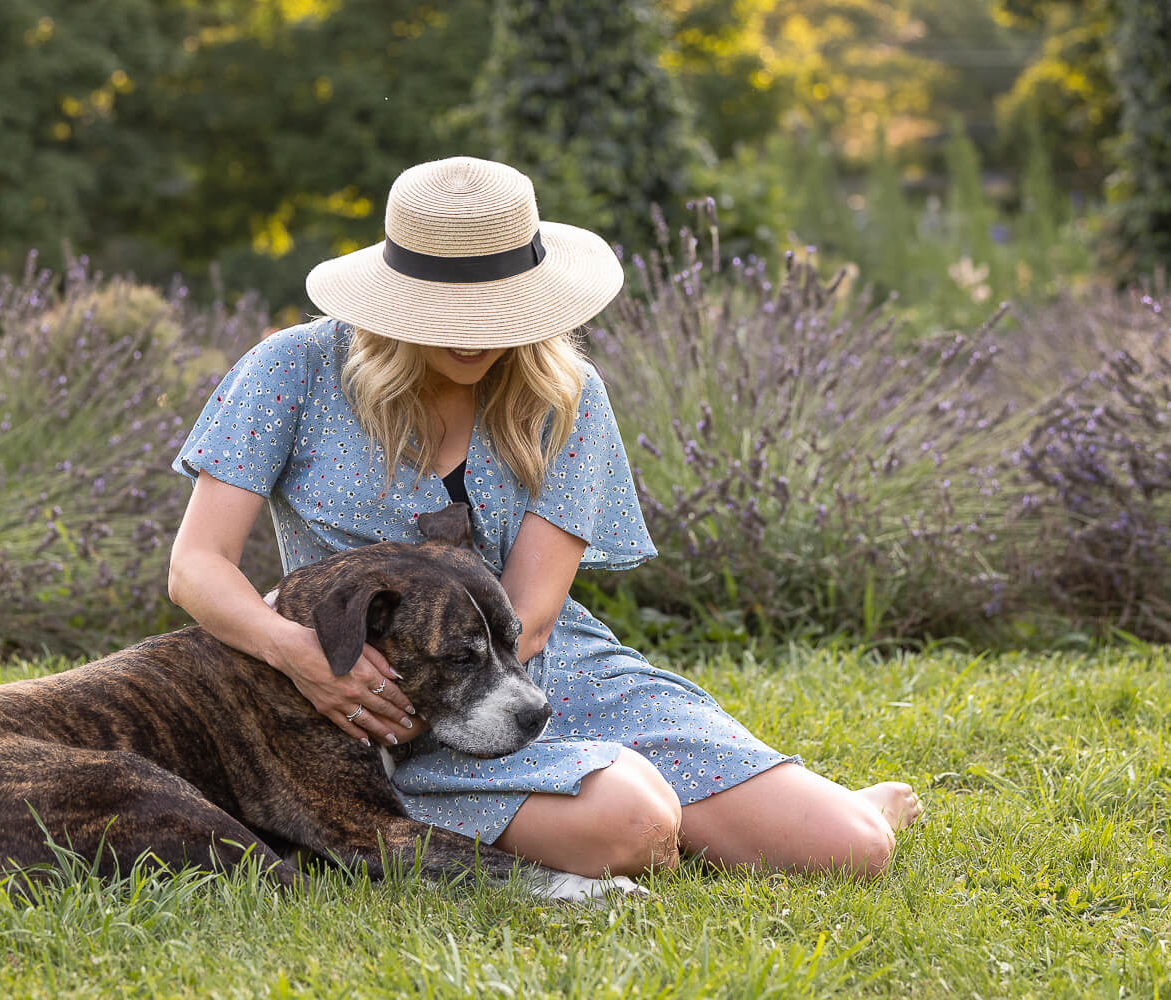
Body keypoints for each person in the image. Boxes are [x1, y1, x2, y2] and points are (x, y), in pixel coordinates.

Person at [167, 156, 922, 881]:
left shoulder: (567, 394)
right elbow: (197, 565)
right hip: (361, 708)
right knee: (628, 825)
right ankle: (634, 810)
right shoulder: (292, 370)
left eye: (496, 309)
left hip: (539, 666)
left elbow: (529, 617)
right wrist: (299, 654)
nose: (473, 335)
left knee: (851, 849)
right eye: (442, 311)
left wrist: (488, 698)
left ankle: (715, 804)